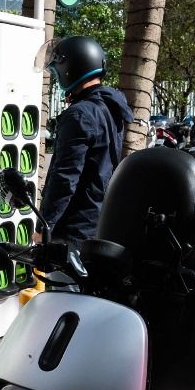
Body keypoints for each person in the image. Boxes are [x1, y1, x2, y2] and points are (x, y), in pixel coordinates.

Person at [38, 36, 134, 243]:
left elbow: (65, 177)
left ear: (69, 69)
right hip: (99, 219)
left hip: (73, 227)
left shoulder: (80, 114)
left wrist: (44, 226)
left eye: (57, 71)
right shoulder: (110, 106)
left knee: (57, 276)